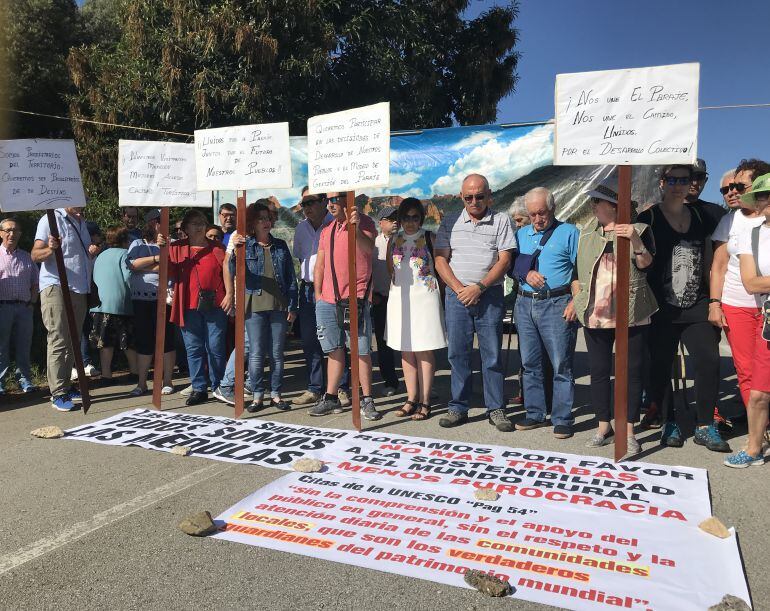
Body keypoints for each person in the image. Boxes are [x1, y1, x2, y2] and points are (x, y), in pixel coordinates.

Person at [638, 164, 730, 452]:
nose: (679, 184)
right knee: (661, 366)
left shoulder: (707, 215)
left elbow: (727, 246)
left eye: (685, 179)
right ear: (663, 182)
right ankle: (670, 422)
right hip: (661, 306)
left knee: (709, 360)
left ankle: (705, 425)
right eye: (673, 179)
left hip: (697, 303)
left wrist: (716, 300)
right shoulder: (649, 217)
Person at [573, 179, 657, 456]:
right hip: (595, 312)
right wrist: (576, 296)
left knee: (630, 374)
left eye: (598, 202)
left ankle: (629, 430)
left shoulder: (642, 229)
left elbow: (645, 265)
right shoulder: (587, 231)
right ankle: (603, 426)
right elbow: (578, 271)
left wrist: (634, 239)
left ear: (614, 206)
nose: (593, 206)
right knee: (598, 372)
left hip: (631, 312)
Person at [434, 174, 516, 431]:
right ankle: (458, 407)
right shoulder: (449, 221)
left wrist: (479, 287)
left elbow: (505, 260)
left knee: (491, 355)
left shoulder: (502, 220)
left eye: (479, 196)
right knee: (458, 354)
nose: (474, 201)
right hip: (457, 297)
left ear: (489, 195)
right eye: (468, 197)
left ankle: (496, 409)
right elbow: (440, 260)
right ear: (461, 196)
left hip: (488, 294)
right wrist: (461, 290)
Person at [215, 203, 298, 411]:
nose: (266, 222)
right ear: (252, 222)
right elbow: (230, 268)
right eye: (261, 218)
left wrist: (293, 305)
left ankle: (276, 394)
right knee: (256, 353)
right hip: (253, 305)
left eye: (268, 218)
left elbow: (290, 279)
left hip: (279, 306)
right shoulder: (245, 244)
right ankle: (258, 395)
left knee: (277, 354)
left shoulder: (280, 245)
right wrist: (234, 248)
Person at [512, 187, 580, 439]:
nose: (537, 219)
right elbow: (512, 268)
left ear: (552, 209)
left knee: (561, 363)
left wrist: (576, 301)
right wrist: (525, 274)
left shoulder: (569, 232)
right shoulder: (520, 235)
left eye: (542, 213)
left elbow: (580, 270)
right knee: (530, 363)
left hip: (556, 303)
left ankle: (562, 418)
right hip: (524, 303)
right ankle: (535, 413)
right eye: (532, 215)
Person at [310, 191, 381, 420]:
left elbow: (368, 249)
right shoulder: (327, 229)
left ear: (347, 199)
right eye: (328, 200)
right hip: (328, 299)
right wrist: (319, 294)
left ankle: (367, 399)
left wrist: (355, 227)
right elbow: (319, 265)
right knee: (333, 349)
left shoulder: (365, 222)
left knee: (361, 350)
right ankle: (330, 397)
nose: (330, 204)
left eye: (335, 199)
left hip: (355, 298)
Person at [709, 160, 770, 419]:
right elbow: (719, 266)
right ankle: (760, 430)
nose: (732, 191)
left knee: (765, 370)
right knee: (745, 370)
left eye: (739, 186)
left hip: (765, 306)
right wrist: (715, 303)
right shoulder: (729, 221)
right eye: (729, 187)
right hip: (737, 305)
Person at [157, 209, 228, 406]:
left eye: (202, 222)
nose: (199, 226)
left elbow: (229, 274)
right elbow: (167, 272)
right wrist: (162, 250)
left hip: (215, 305)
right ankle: (198, 388)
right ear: (185, 228)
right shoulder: (176, 248)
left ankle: (218, 386)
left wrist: (230, 295)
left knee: (215, 347)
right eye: (194, 223)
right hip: (187, 305)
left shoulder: (218, 248)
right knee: (193, 348)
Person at [32, 207, 99, 411]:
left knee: (73, 338)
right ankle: (58, 392)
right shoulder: (50, 219)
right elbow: (35, 254)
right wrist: (50, 249)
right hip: (56, 285)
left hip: (79, 288)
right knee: (59, 338)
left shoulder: (81, 222)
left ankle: (66, 386)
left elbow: (83, 254)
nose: (81, 203)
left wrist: (92, 251)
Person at [724, 172, 770, 467]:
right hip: (767, 318)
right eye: (764, 196)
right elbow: (751, 283)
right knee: (758, 392)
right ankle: (754, 447)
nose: (767, 201)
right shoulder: (751, 234)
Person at [386, 197, 447, 420]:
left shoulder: (430, 237)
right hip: (400, 299)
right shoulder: (393, 240)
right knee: (405, 349)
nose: (410, 222)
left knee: (424, 349)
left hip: (425, 298)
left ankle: (425, 400)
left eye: (415, 217)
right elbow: (389, 268)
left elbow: (441, 267)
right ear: (400, 219)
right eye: (405, 217)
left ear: (421, 218)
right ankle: (411, 398)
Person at [291, 191, 351, 408]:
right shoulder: (300, 228)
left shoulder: (334, 224)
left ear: (324, 202)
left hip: (332, 289)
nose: (306, 207)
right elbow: (301, 259)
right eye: (303, 203)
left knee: (336, 341)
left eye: (311, 202)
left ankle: (341, 388)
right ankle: (315, 388)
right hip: (308, 290)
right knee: (309, 340)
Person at [125, 209, 176, 396]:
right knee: (144, 341)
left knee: (167, 341)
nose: (163, 224)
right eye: (159, 221)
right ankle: (142, 383)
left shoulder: (173, 243)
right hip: (141, 299)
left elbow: (171, 267)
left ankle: (168, 380)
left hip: (165, 299)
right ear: (151, 223)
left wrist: (148, 265)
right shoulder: (137, 243)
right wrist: (156, 259)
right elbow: (132, 265)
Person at [89, 226, 136, 384]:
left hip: (99, 305)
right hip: (120, 305)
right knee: (127, 341)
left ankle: (106, 375)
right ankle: (135, 371)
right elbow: (128, 277)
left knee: (105, 342)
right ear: (124, 240)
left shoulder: (100, 256)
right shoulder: (124, 254)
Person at [0, 218, 39, 394]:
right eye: (8, 230)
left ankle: (25, 379)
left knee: (24, 344)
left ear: (20, 234)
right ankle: (0, 382)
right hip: (2, 307)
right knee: (1, 346)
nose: (12, 234)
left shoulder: (26, 257)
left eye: (15, 230)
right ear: (1, 233)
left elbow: (35, 283)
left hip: (24, 308)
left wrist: (32, 303)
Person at [372, 205, 400, 397]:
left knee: (409, 342)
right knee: (384, 344)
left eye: (397, 218)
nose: (395, 221)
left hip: (403, 299)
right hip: (382, 299)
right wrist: (372, 294)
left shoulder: (405, 241)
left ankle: (421, 384)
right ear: (381, 223)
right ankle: (390, 381)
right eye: (390, 219)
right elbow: (366, 271)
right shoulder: (373, 245)